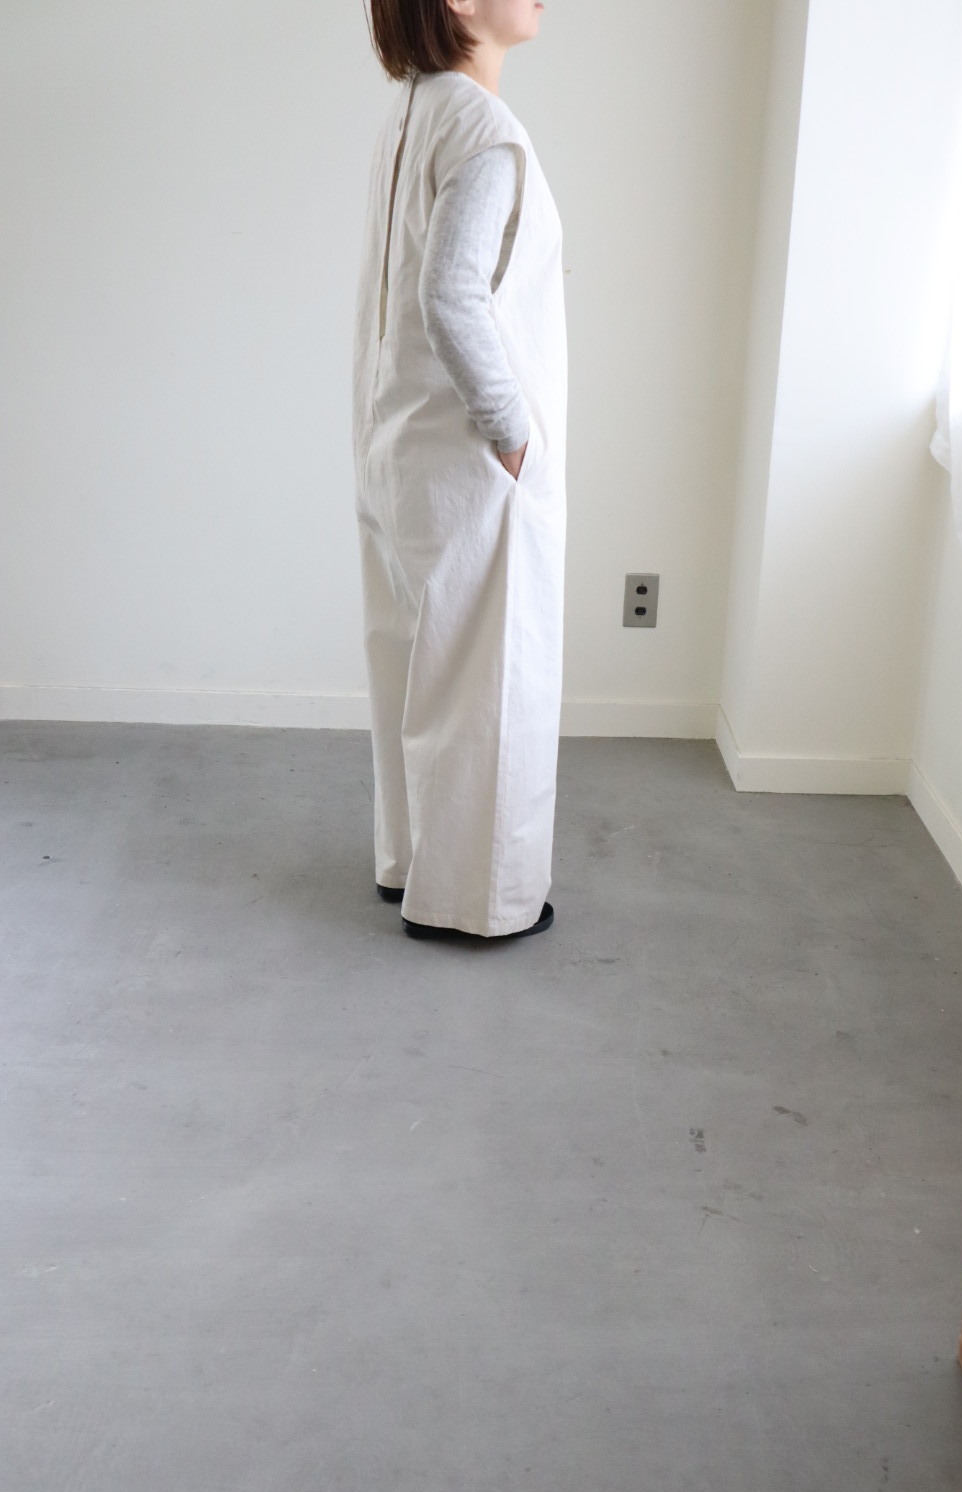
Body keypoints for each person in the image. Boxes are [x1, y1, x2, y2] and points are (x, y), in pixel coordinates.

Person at [354, 0, 567, 942]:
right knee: (488, 679)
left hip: (400, 443)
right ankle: (474, 901)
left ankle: (410, 866)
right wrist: (513, 433)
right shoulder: (481, 129)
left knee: (412, 662)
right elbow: (451, 293)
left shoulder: (414, 108)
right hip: (466, 458)